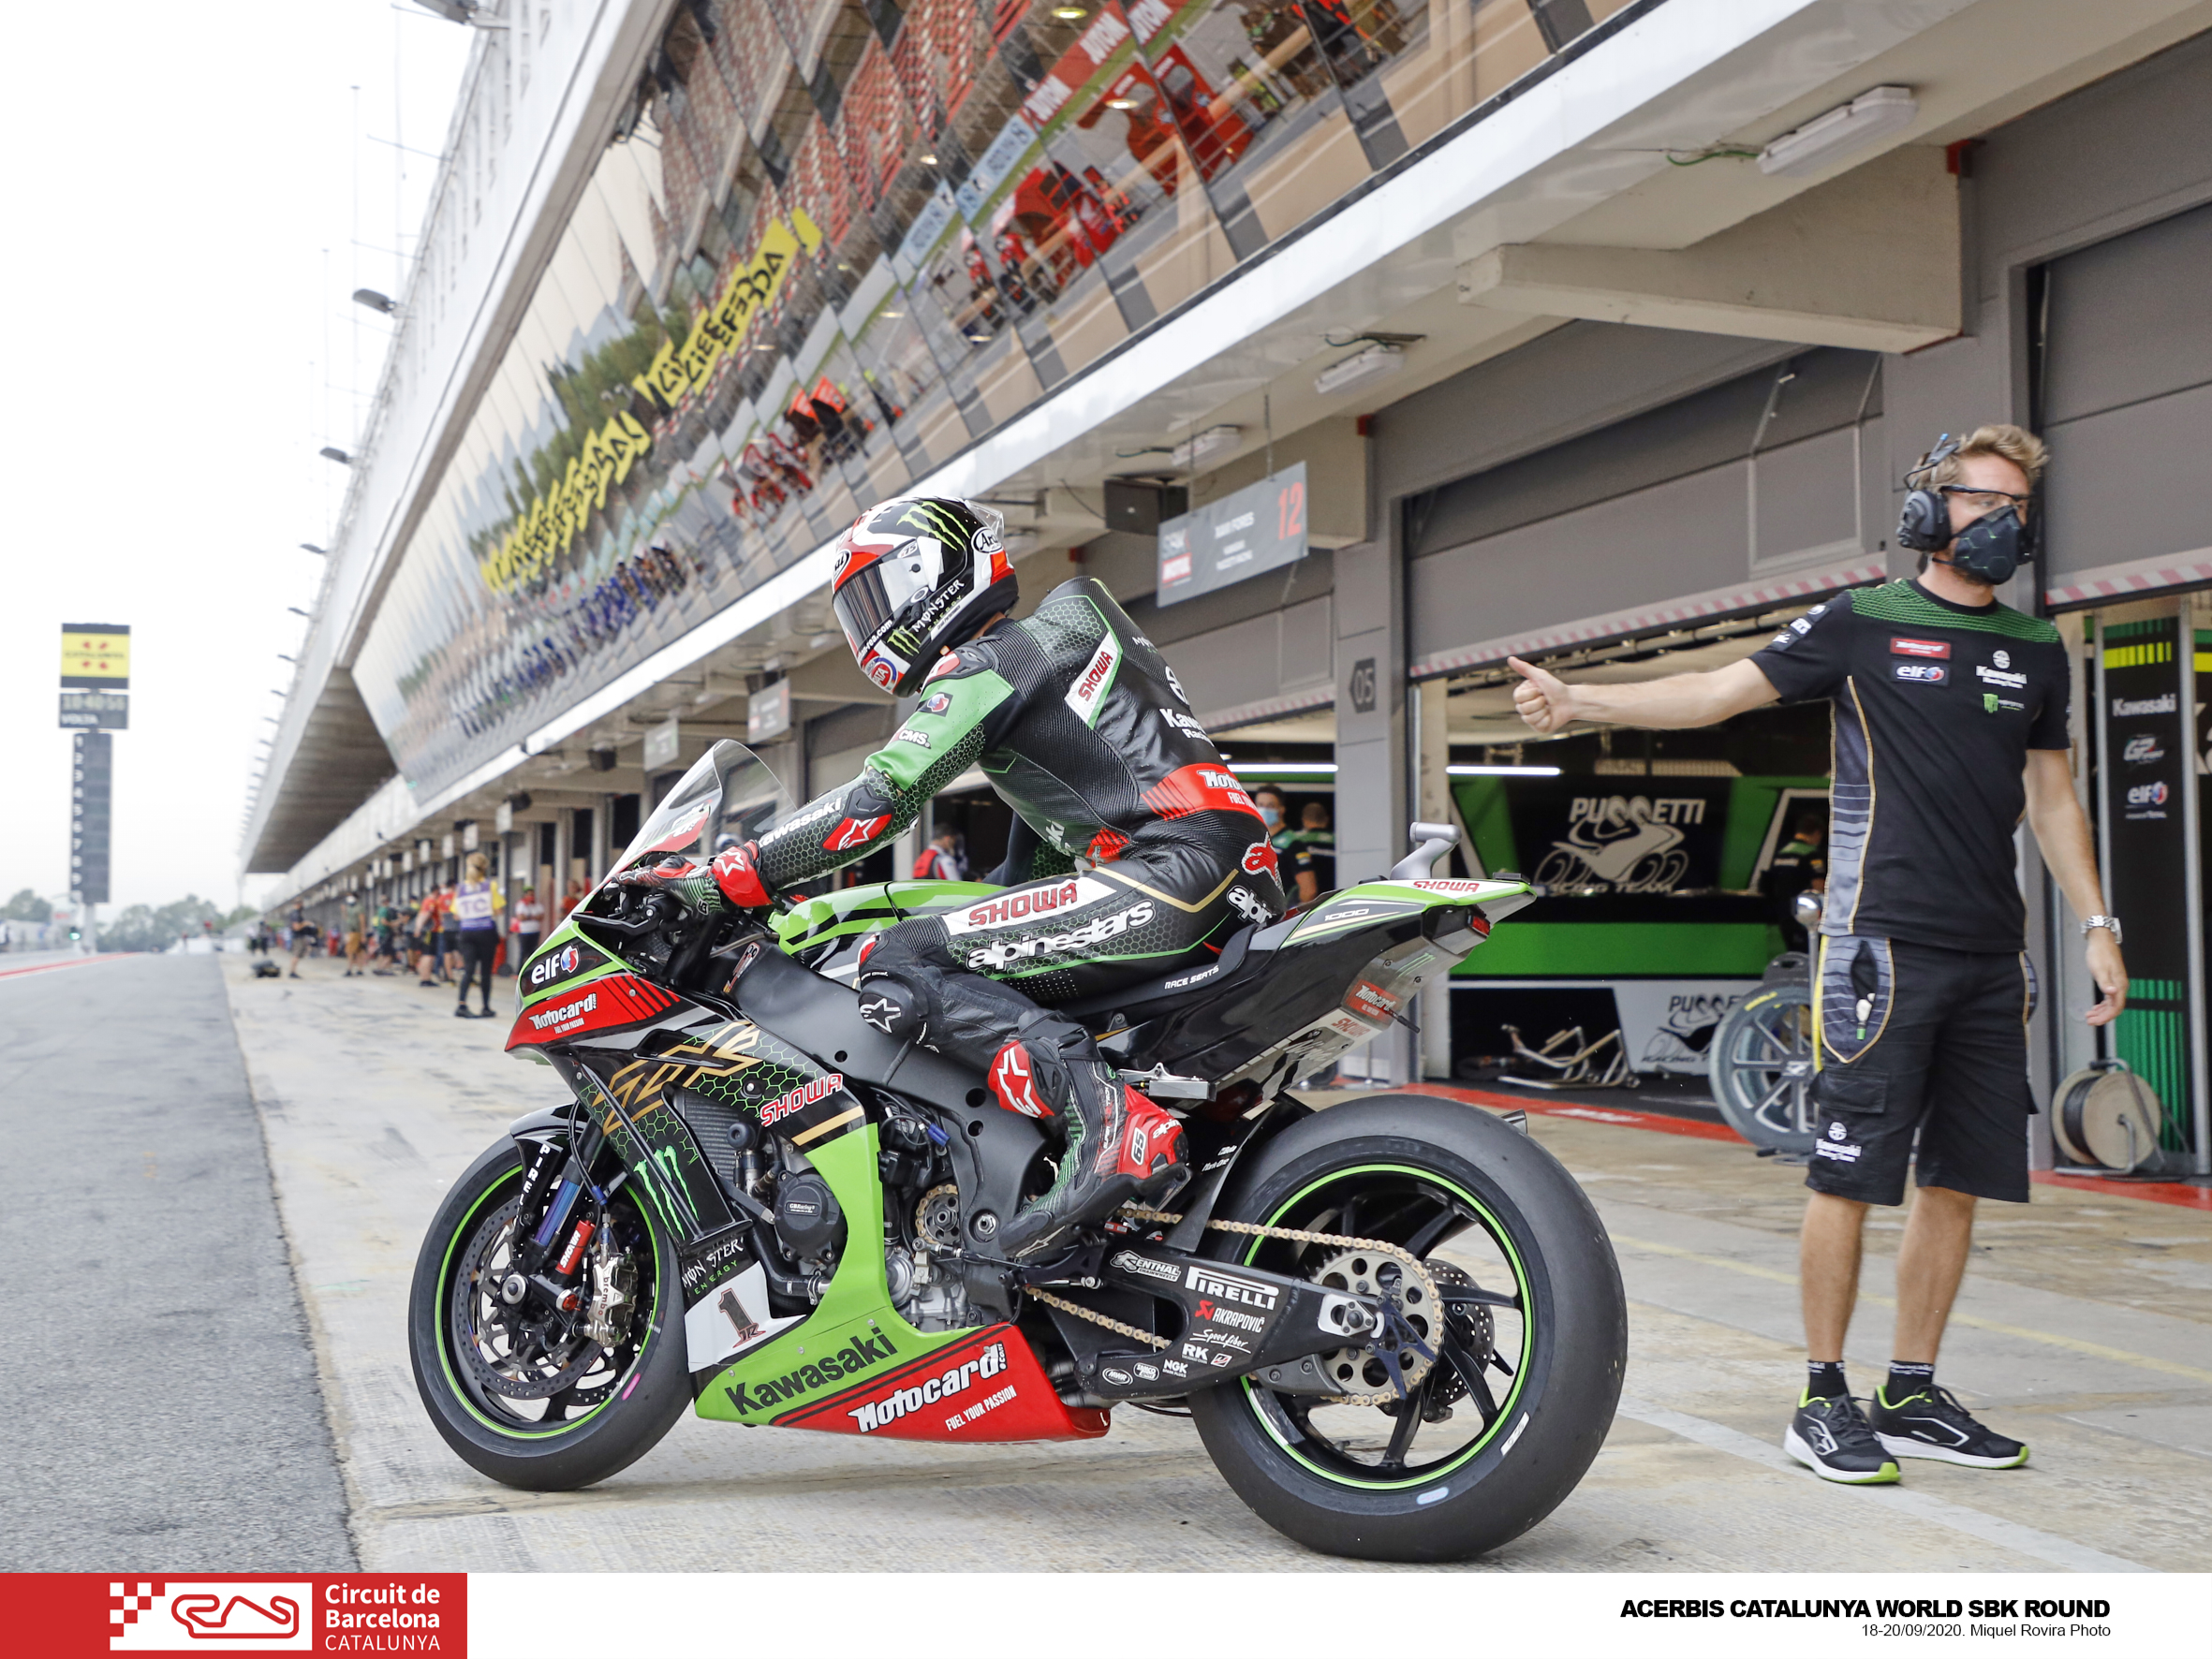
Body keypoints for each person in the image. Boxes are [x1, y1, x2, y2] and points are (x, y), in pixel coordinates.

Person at [1510, 425, 2126, 1486]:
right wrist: (1581, 702)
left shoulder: (2035, 646)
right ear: (1932, 511)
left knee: (1959, 1178)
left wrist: (2096, 921)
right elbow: (1714, 693)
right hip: (1876, 945)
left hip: (1991, 952)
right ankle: (1821, 1394)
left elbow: (2052, 792)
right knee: (1847, 1177)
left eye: (2019, 508)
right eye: (1987, 502)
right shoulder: (1862, 622)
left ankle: (1911, 1387)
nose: (2006, 524)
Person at [638, 495, 1279, 1259]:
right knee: (959, 957)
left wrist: (724, 878)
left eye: (875, 596)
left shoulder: (996, 660)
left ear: (929, 576)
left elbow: (876, 804)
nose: (869, 622)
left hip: (1173, 879)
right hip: (1220, 879)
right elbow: (1038, 853)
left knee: (898, 962)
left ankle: (1108, 1128)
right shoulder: (1054, 652)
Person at [1764, 812, 1827, 953]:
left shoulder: (1782, 854)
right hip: (1805, 916)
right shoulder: (1811, 855)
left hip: (1783, 914)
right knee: (1810, 954)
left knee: (1793, 952)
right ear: (1817, 833)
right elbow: (1819, 887)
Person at [451, 854, 505, 1018]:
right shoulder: (490, 886)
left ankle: (461, 1005)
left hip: (466, 932)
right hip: (485, 932)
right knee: (486, 971)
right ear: (485, 868)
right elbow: (499, 910)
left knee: (468, 970)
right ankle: (486, 1006)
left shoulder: (460, 889)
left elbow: (456, 915)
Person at [1288, 800, 1336, 904]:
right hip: (1337, 897)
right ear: (1326, 820)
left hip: (1311, 902)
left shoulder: (1296, 840)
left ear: (1304, 820)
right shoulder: (1339, 842)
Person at [510, 886, 544, 975]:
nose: (531, 897)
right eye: (529, 895)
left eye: (532, 895)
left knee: (533, 952)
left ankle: (531, 972)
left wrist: (528, 917)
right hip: (524, 932)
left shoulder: (537, 905)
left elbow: (541, 916)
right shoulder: (521, 904)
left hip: (535, 931)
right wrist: (533, 917)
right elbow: (521, 917)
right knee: (523, 952)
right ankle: (519, 972)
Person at [342, 895, 367, 977]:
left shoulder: (359, 908)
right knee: (357, 951)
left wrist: (363, 934)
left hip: (356, 932)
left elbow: (362, 921)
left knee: (350, 951)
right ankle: (360, 969)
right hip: (350, 932)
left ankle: (349, 969)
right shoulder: (349, 908)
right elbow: (347, 919)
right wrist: (344, 911)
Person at [286, 903, 311, 977]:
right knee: (296, 954)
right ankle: (292, 972)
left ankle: (292, 971)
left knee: (296, 954)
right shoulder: (296, 914)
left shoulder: (294, 913)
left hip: (297, 937)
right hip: (298, 937)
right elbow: (296, 927)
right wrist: (305, 924)